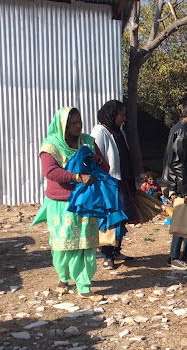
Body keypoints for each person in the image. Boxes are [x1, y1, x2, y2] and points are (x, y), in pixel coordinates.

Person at [36, 106, 109, 301]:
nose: (78, 126)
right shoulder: (51, 145)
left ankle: (84, 285)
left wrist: (97, 160)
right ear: (62, 125)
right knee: (62, 244)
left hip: (86, 202)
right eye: (72, 123)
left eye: (79, 122)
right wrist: (77, 177)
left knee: (85, 245)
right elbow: (50, 171)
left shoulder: (87, 142)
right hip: (62, 203)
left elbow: (105, 167)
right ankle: (64, 277)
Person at [91, 100, 137, 270]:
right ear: (112, 114)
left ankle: (116, 250)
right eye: (121, 115)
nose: (123, 118)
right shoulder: (100, 132)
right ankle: (107, 255)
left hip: (122, 181)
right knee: (110, 219)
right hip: (108, 183)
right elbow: (97, 158)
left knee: (122, 217)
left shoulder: (119, 132)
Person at [162, 95, 187, 269]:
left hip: (185, 180)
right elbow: (177, 163)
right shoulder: (182, 132)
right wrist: (185, 190)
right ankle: (173, 257)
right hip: (181, 183)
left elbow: (185, 159)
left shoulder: (183, 130)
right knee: (181, 218)